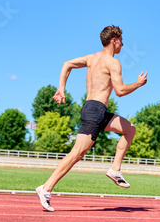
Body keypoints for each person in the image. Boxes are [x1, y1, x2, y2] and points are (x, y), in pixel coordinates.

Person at [36, 25, 148, 212]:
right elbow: (120, 91)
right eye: (121, 40)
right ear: (114, 40)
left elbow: (67, 64)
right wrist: (137, 84)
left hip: (99, 111)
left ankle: (115, 170)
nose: (123, 44)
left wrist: (61, 88)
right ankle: (45, 188)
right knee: (77, 153)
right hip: (94, 110)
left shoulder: (91, 58)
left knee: (130, 129)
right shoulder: (113, 63)